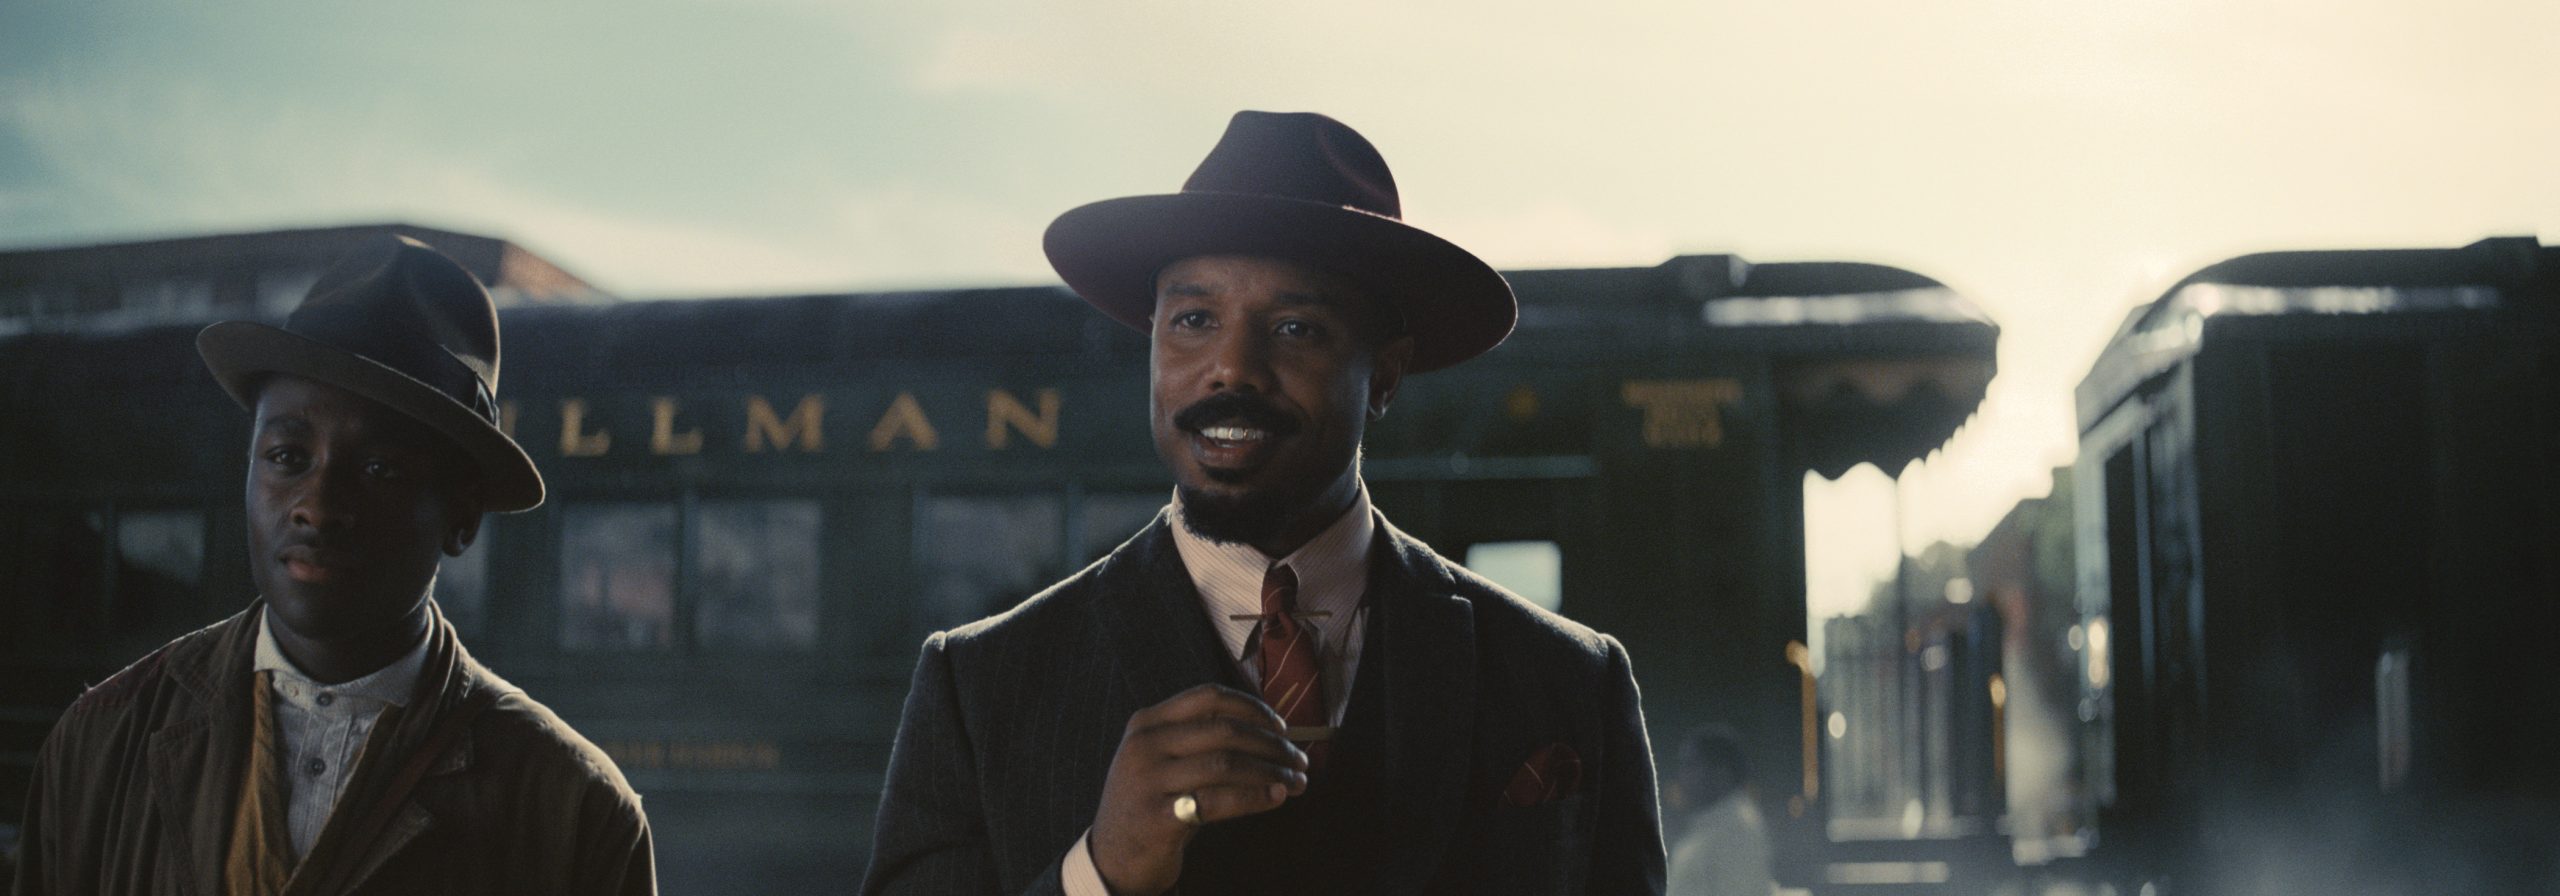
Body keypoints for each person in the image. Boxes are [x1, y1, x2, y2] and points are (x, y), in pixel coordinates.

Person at [861, 111, 1664, 895]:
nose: (1231, 368)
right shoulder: (980, 685)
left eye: (1294, 328)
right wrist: (1100, 873)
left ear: (1385, 375)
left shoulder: (1567, 679)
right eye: (1194, 320)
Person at [10, 236, 656, 896]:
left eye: (380, 468)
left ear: (461, 516)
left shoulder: (578, 813)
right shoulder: (100, 742)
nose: (317, 508)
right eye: (287, 457)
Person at [1663, 726, 1775, 896]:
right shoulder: (1713, 825)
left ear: (1721, 772)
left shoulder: (1737, 830)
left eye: (1691, 765)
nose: (1682, 776)